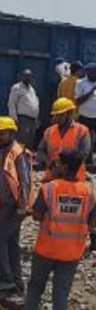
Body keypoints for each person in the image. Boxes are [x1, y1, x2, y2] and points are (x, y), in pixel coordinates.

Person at [18, 151, 96, 310]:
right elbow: (93, 223)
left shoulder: (49, 189)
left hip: (46, 249)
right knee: (60, 295)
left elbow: (37, 216)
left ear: (64, 167)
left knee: (35, 289)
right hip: (71, 253)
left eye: (58, 163)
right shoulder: (89, 192)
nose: (54, 165)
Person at [0, 117, 33, 298]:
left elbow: (25, 180)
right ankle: (17, 282)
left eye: (2, 133)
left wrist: (23, 205)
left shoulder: (17, 152)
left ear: (11, 133)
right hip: (4, 205)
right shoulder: (3, 150)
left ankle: (6, 280)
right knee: (12, 243)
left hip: (15, 206)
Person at [37, 98, 91, 182]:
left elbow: (83, 154)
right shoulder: (49, 131)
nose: (56, 117)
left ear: (69, 113)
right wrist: (47, 163)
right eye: (55, 115)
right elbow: (41, 151)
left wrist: (64, 166)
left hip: (74, 178)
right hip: (52, 177)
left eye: (59, 115)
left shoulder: (82, 131)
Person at [7, 69, 40, 147]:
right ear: (22, 77)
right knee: (22, 141)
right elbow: (12, 103)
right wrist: (14, 118)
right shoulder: (17, 88)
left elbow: (35, 103)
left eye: (29, 76)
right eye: (26, 76)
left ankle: (27, 158)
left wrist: (36, 119)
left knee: (30, 141)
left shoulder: (32, 89)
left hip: (32, 120)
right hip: (23, 119)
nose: (28, 78)